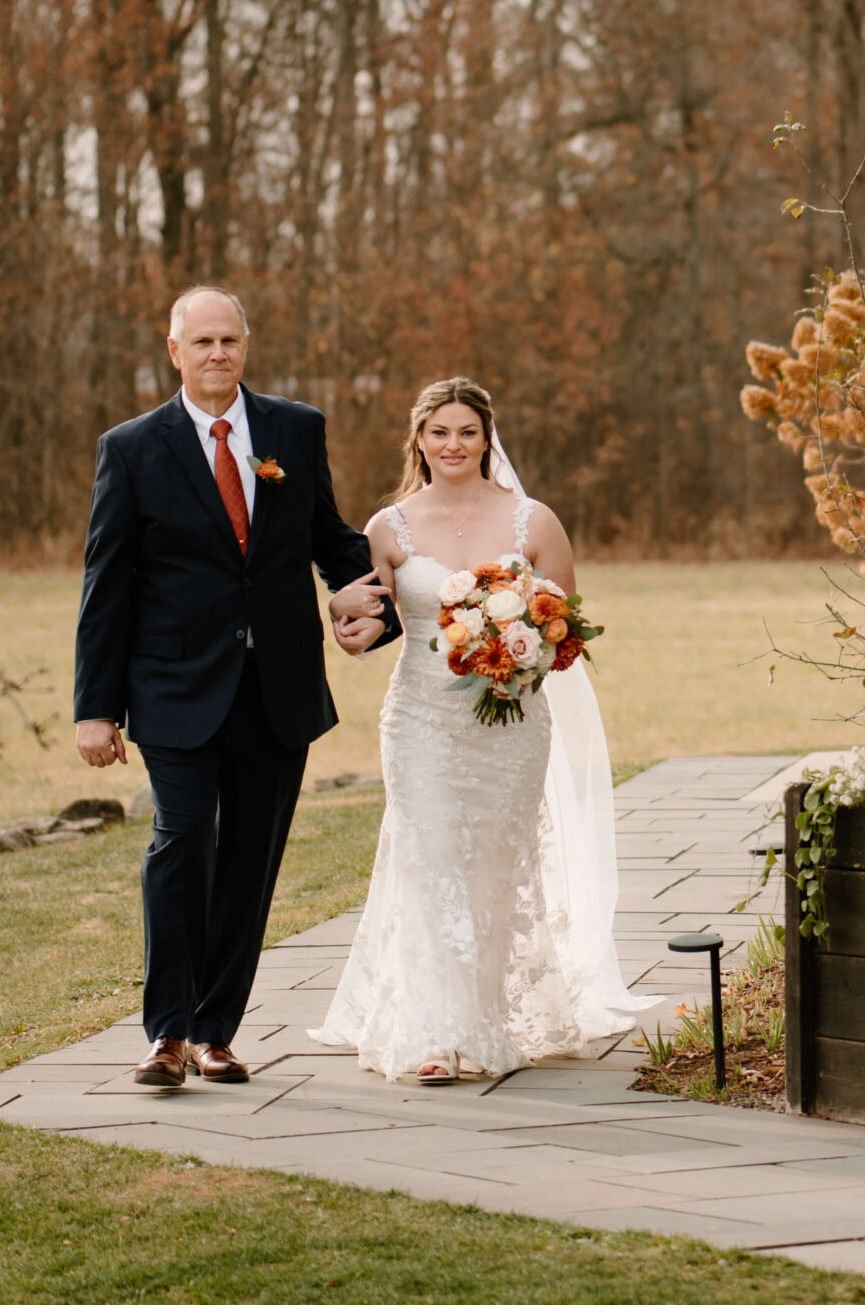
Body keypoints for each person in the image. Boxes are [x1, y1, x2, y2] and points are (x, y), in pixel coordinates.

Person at [73, 287, 398, 1091]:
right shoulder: (132, 448)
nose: (218, 353)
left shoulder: (294, 428)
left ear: (245, 345)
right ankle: (166, 1034)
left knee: (251, 861)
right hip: (173, 687)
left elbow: (326, 535)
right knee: (181, 844)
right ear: (174, 350)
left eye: (230, 340)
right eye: (203, 341)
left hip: (275, 686)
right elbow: (106, 585)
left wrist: (380, 608)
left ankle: (217, 1033)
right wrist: (94, 707)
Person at [312, 376, 650, 1083]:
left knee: (495, 868)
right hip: (421, 721)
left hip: (511, 723)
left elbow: (566, 629)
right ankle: (435, 1035)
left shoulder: (533, 522)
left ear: (487, 438)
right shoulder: (389, 526)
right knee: (431, 859)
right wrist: (347, 630)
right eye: (439, 432)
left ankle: (485, 1016)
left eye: (466, 432)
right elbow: (366, 618)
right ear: (419, 441)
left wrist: (520, 648)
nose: (453, 445)